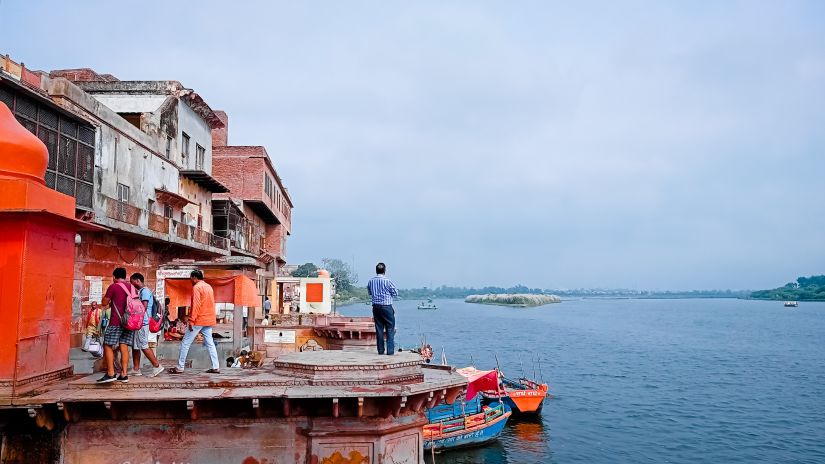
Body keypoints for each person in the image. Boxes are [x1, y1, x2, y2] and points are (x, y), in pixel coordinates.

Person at [168, 270, 220, 374]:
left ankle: (180, 367)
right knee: (210, 344)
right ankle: (216, 367)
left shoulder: (197, 287)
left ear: (195, 277)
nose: (191, 280)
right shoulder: (208, 287)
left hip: (199, 320)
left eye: (191, 278)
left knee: (185, 343)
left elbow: (196, 305)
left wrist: (191, 320)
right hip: (208, 319)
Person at [97, 267, 136, 383]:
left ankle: (110, 373)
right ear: (125, 276)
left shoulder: (114, 286)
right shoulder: (132, 288)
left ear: (114, 277)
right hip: (129, 322)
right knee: (124, 346)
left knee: (107, 345)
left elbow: (104, 303)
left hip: (116, 321)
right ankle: (124, 374)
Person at [129, 273, 165, 377]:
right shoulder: (141, 291)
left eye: (132, 282)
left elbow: (143, 307)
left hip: (142, 322)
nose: (132, 284)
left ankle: (157, 366)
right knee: (135, 346)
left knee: (144, 345)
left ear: (137, 280)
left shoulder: (144, 291)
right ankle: (136, 369)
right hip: (139, 322)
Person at [367, 262, 399, 355]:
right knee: (390, 328)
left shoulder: (371, 281)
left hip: (376, 307)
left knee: (379, 328)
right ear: (384, 270)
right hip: (386, 307)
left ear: (376, 270)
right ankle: (390, 351)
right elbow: (395, 293)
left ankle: (380, 350)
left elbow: (369, 292)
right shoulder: (387, 281)